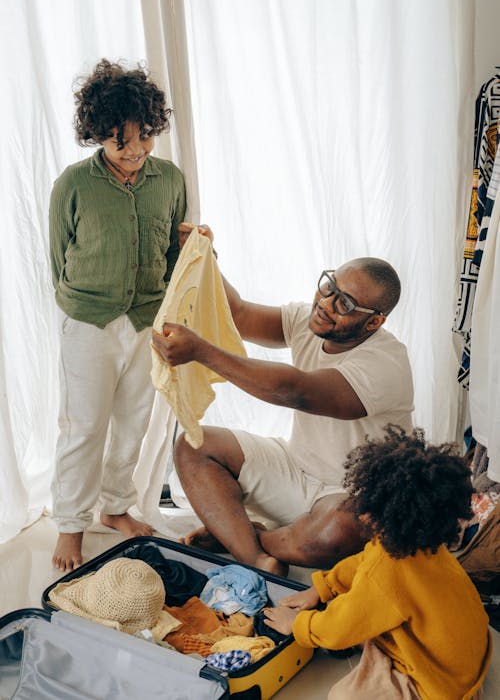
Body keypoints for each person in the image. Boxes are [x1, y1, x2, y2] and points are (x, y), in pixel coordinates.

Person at [152, 231, 414, 575]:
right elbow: (240, 315)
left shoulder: (386, 363)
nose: (327, 303)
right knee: (193, 446)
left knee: (341, 531)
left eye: (345, 304)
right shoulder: (309, 319)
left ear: (374, 321)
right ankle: (258, 557)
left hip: (348, 494)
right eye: (329, 285)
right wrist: (205, 256)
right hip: (294, 468)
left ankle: (246, 536)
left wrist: (201, 352)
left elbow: (297, 391)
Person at [50, 59, 186, 572]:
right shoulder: (73, 185)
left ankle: (115, 507)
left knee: (133, 421)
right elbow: (57, 258)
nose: (134, 151)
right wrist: (82, 308)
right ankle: (70, 523)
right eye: (119, 140)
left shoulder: (170, 180)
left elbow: (174, 255)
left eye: (144, 138)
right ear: (97, 135)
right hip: (88, 321)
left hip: (147, 319)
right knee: (83, 427)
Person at [262, 427, 491, 700]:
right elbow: (364, 561)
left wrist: (298, 624)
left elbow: (339, 628)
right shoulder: (422, 545)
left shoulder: (387, 575)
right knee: (356, 607)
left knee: (342, 695)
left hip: (440, 685)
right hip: (466, 660)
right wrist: (321, 589)